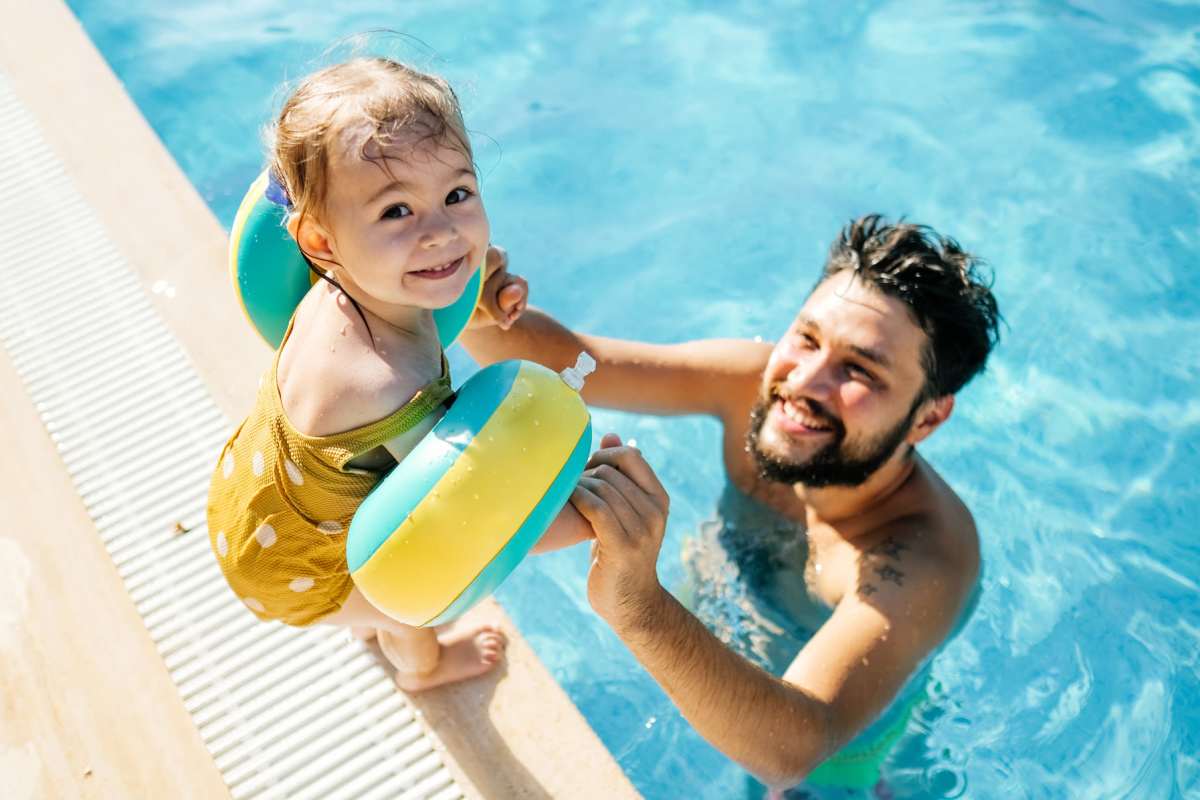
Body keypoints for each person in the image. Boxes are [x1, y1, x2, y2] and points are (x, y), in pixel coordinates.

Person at [463, 215, 1001, 793]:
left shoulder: (921, 557)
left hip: (839, 758)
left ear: (928, 417)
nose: (804, 383)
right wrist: (471, 302)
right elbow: (564, 360)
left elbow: (795, 747)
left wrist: (635, 601)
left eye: (859, 370)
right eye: (807, 338)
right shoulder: (752, 384)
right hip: (720, 637)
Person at [205, 57, 585, 692]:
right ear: (321, 240)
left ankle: (369, 617)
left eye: (457, 195)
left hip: (249, 503)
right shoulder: (385, 383)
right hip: (297, 568)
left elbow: (434, 291)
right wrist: (589, 509)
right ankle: (422, 674)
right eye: (395, 213)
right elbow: (467, 513)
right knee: (406, 613)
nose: (440, 233)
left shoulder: (330, 286)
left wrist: (483, 297)